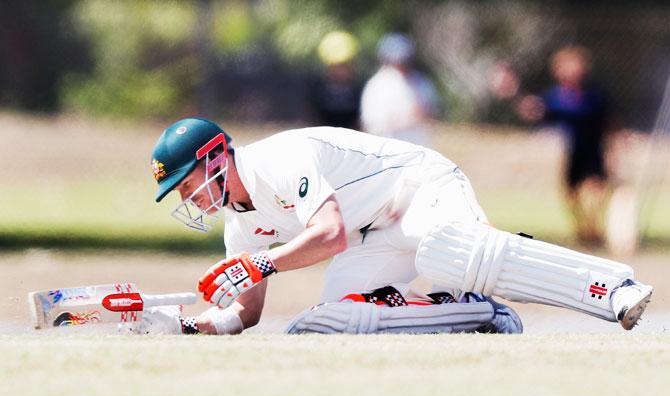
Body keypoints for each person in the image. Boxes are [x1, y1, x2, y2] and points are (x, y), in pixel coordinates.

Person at [142, 117, 652, 335]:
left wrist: (258, 264)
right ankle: (479, 314)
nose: (189, 199)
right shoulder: (239, 222)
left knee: (446, 253)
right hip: (374, 235)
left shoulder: (278, 158)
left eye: (187, 185)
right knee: (338, 319)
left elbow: (328, 234)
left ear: (214, 159)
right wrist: (191, 324)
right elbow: (244, 314)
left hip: (417, 188)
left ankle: (612, 288)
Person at [516, 46, 611, 245]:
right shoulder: (555, 95)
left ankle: (593, 228)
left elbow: (598, 116)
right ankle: (584, 230)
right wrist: (528, 106)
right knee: (571, 193)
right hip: (572, 151)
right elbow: (540, 114)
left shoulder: (594, 93)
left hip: (594, 149)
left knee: (596, 191)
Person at [360, 33, 439, 146]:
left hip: (419, 148)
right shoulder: (377, 85)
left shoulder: (420, 81)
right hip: (388, 151)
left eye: (404, 59)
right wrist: (407, 119)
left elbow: (432, 113)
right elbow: (372, 125)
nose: (401, 64)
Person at [309, 31, 363, 130]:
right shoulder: (316, 90)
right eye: (336, 66)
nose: (340, 71)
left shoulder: (360, 91)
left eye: (344, 65)